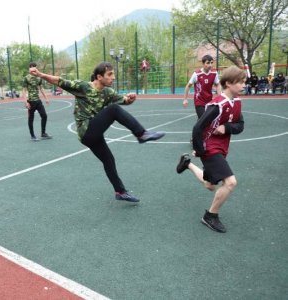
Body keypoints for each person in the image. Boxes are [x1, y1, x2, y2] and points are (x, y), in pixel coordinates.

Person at [29, 62, 165, 203]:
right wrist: (40, 75)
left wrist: (131, 99)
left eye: (113, 74)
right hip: (86, 131)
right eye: (110, 74)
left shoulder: (108, 92)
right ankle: (141, 134)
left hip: (95, 133)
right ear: (99, 77)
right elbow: (59, 81)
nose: (113, 77)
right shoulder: (83, 87)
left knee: (109, 160)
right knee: (113, 109)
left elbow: (124, 101)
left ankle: (120, 192)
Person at [176, 65, 246, 233]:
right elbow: (197, 128)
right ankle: (210, 216)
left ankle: (187, 164)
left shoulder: (236, 101)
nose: (244, 85)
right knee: (230, 182)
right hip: (210, 148)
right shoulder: (217, 105)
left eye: (244, 82)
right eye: (240, 82)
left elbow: (240, 126)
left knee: (209, 185)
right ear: (228, 83)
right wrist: (200, 150)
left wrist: (226, 128)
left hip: (221, 148)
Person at [22, 62, 52, 141]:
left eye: (35, 67)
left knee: (44, 115)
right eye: (32, 67)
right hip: (31, 101)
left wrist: (46, 98)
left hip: (38, 101)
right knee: (31, 119)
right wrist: (25, 102)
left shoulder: (39, 77)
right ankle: (32, 136)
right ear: (29, 68)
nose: (33, 69)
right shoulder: (26, 78)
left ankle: (43, 133)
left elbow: (41, 88)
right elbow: (24, 91)